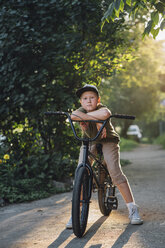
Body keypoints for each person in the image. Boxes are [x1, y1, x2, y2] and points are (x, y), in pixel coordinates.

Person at [66, 84, 143, 229]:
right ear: (81, 102)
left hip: (109, 141)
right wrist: (91, 118)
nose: (88, 101)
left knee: (115, 172)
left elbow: (105, 114)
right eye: (85, 98)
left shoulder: (102, 108)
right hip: (90, 141)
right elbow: (73, 116)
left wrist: (87, 118)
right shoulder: (81, 110)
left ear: (98, 99)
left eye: (92, 98)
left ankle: (132, 208)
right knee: (80, 173)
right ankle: (77, 212)